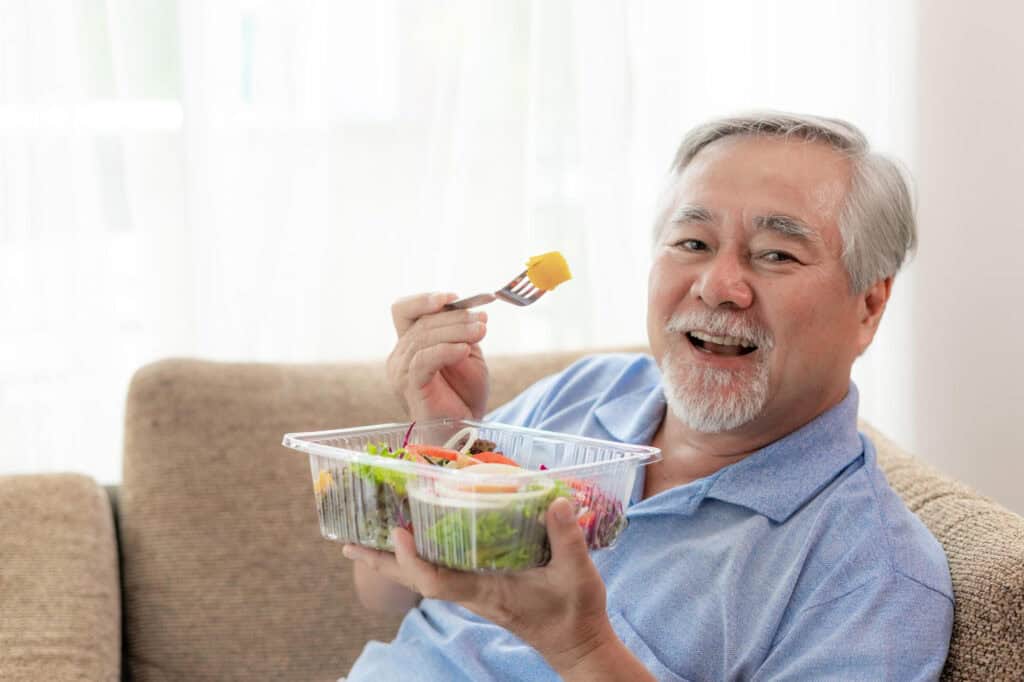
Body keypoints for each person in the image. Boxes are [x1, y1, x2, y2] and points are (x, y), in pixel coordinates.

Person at [340, 112, 954, 681]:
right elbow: (388, 594)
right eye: (693, 244)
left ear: (869, 307)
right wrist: (442, 441)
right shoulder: (585, 393)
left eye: (775, 254)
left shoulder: (876, 578)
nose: (718, 287)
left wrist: (581, 647)